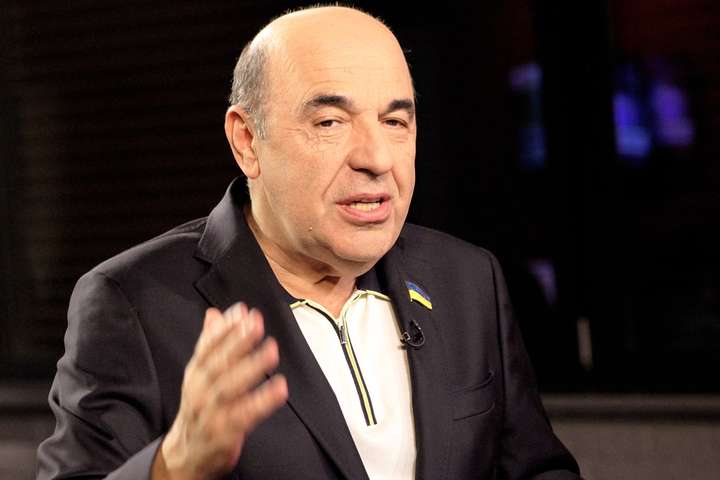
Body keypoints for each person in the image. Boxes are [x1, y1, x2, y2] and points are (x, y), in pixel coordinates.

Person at [37, 6, 580, 480]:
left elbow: (536, 469)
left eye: (395, 121)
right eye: (330, 122)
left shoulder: (466, 279)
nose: (376, 158)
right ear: (247, 141)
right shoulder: (135, 303)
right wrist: (174, 465)